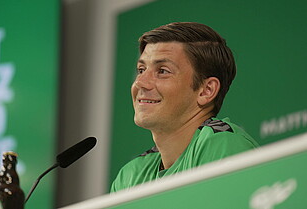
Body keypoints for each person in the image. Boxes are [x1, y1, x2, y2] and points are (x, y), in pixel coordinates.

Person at [110, 22, 259, 193]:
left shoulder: (223, 146)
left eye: (163, 71)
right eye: (141, 69)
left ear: (206, 90)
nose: (140, 82)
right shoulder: (130, 175)